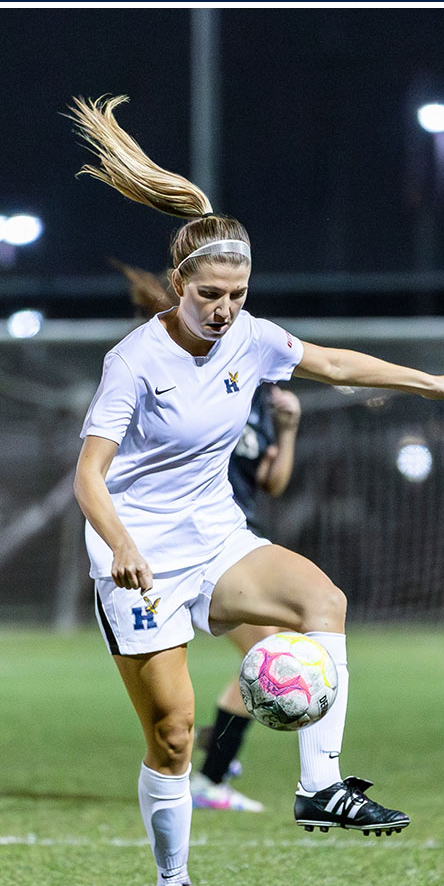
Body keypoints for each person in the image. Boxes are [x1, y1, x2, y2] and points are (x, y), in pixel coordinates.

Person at [67, 95, 444, 886]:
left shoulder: (251, 337)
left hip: (216, 537)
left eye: (238, 293)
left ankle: (320, 787)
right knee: (175, 736)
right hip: (139, 557)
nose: (225, 309)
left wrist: (430, 380)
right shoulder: (135, 360)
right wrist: (118, 541)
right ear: (178, 285)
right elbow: (87, 476)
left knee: (321, 599)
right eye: (211, 295)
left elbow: (331, 362)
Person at [112, 261, 300, 814]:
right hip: (184, 545)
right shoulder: (163, 374)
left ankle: (213, 770)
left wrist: (288, 431)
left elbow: (273, 481)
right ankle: (211, 774)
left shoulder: (257, 399)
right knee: (272, 657)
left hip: (234, 539)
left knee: (281, 651)